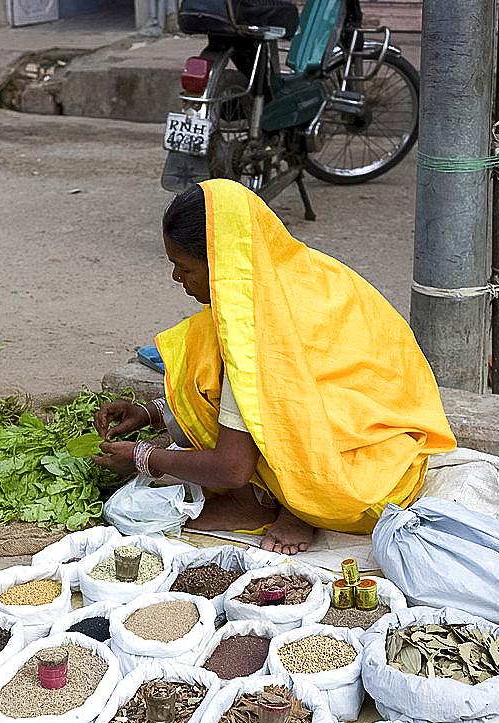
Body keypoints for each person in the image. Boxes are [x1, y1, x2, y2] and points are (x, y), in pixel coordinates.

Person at [92, 179, 456, 554]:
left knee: (216, 377)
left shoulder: (252, 337)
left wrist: (143, 458)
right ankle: (286, 503)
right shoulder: (308, 272)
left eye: (183, 267)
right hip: (399, 457)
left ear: (219, 264)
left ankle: (268, 508)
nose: (177, 278)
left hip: (357, 490)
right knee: (202, 344)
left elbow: (232, 467)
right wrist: (151, 413)